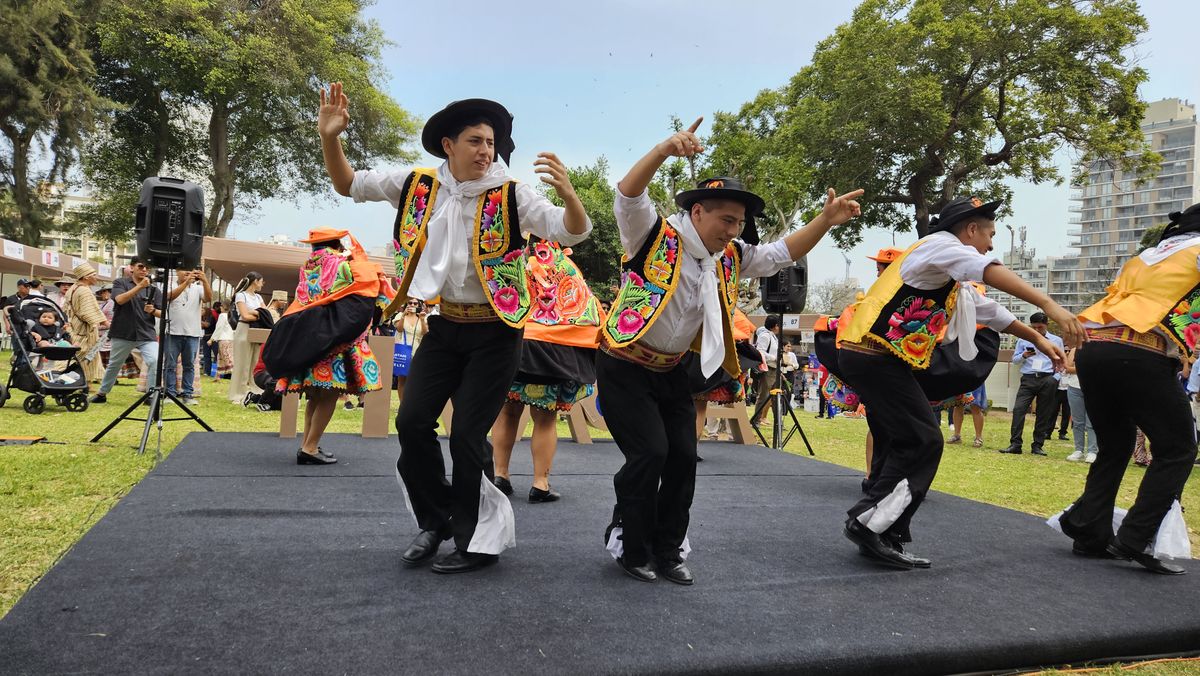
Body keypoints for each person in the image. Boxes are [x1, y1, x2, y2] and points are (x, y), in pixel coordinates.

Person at [319, 86, 591, 574]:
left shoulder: (511, 192)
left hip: (496, 332)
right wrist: (330, 139)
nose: (486, 151)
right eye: (475, 141)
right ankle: (435, 519)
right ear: (449, 145)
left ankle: (475, 541)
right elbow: (347, 184)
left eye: (490, 142)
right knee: (411, 422)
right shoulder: (417, 184)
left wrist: (570, 196)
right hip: (445, 327)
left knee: (467, 435)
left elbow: (569, 230)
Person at [601, 116, 863, 584]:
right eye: (727, 219)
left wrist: (824, 219)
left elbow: (782, 253)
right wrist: (664, 150)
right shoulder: (652, 236)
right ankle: (630, 545)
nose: (734, 230)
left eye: (739, 223)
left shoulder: (731, 258)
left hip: (674, 371)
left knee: (682, 457)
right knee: (649, 455)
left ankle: (667, 551)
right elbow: (627, 194)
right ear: (697, 212)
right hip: (623, 363)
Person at [836, 196, 1081, 569]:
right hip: (874, 355)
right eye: (990, 234)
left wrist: (1040, 340)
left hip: (877, 356)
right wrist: (1050, 306)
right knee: (924, 438)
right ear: (970, 230)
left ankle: (881, 528)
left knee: (899, 436)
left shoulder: (946, 272)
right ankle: (870, 524)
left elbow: (990, 311)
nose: (991, 245)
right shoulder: (941, 246)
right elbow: (988, 269)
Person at [1057, 204, 1200, 575]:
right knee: (1179, 448)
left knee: (1115, 446)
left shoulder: (1146, 255)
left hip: (1094, 348)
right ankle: (1136, 538)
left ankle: (1089, 532)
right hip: (1138, 353)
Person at [491, 240, 603, 503]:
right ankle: (540, 484)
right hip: (554, 352)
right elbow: (588, 311)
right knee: (545, 417)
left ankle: (500, 475)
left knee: (507, 412)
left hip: (516, 346)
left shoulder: (517, 262)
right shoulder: (567, 267)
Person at [265, 228, 386, 463]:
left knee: (315, 396)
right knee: (329, 394)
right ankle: (310, 448)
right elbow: (368, 283)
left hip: (309, 336)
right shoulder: (341, 263)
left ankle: (308, 445)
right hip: (334, 338)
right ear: (338, 244)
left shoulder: (307, 266)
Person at [89, 257, 163, 404]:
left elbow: (163, 313)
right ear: (132, 267)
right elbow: (120, 300)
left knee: (155, 360)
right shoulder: (120, 282)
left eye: (147, 268)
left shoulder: (155, 289)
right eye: (141, 266)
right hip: (123, 332)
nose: (144, 270)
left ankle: (151, 395)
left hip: (146, 332)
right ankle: (102, 393)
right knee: (115, 364)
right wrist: (140, 287)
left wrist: (153, 310)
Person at [998, 312, 1066, 456]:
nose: (1036, 330)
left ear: (1046, 325)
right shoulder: (1023, 340)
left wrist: (1056, 378)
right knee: (1018, 410)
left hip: (1048, 378)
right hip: (1028, 378)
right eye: (1033, 327)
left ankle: (1037, 445)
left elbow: (1061, 361)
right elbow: (1015, 360)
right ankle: (1015, 444)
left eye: (1039, 327)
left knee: (1043, 413)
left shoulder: (1056, 340)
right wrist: (1023, 355)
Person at [164, 267, 212, 406]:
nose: (187, 273)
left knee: (189, 365)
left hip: (192, 333)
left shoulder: (197, 288)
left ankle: (188, 394)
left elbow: (208, 298)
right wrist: (185, 283)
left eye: (190, 270)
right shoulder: (171, 284)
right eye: (183, 270)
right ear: (176, 272)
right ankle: (170, 394)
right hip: (173, 331)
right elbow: (169, 297)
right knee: (170, 365)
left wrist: (205, 281)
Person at [62, 263, 108, 386]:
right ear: (86, 277)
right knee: (83, 354)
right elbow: (88, 311)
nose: (96, 277)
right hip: (84, 328)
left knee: (86, 354)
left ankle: (87, 383)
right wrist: (105, 322)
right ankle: (75, 379)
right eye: (94, 275)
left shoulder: (73, 288)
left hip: (75, 325)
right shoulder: (84, 291)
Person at [228, 271, 265, 403]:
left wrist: (255, 313)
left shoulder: (259, 298)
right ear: (255, 281)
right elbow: (244, 315)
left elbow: (265, 314)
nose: (262, 284)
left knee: (255, 362)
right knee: (242, 363)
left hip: (257, 329)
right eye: (261, 281)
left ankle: (254, 389)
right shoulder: (241, 296)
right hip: (244, 328)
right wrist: (257, 313)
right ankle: (239, 392)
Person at [1061, 347, 1097, 463]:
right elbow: (1067, 368)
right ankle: (1078, 450)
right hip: (1074, 388)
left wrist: (1077, 369)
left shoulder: (1097, 349)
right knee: (1077, 422)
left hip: (1093, 388)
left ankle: (1092, 451)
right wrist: (1084, 369)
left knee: (1091, 422)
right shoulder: (1074, 349)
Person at [392, 299, 428, 403]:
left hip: (418, 350)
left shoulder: (422, 318)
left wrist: (422, 319)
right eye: (410, 303)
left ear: (419, 305)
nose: (412, 305)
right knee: (402, 378)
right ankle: (402, 404)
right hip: (403, 349)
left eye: (415, 303)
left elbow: (425, 334)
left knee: (416, 379)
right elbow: (399, 329)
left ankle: (412, 403)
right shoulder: (400, 315)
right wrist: (403, 315)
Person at [752, 316, 781, 425]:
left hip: (775, 368)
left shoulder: (773, 337)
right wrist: (774, 358)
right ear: (775, 326)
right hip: (767, 368)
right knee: (763, 395)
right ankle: (756, 420)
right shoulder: (765, 336)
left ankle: (775, 421)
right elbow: (760, 352)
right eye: (778, 325)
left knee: (774, 396)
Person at [947, 384, 987, 448]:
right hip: (960, 378)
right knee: (957, 404)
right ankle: (956, 436)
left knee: (975, 406)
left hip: (975, 378)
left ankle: (978, 438)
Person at [208, 308, 235, 380]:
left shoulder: (222, 315)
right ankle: (217, 376)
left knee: (226, 358)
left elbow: (219, 328)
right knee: (221, 357)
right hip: (230, 338)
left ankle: (236, 375)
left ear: (224, 307)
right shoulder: (230, 315)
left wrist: (211, 339)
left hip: (224, 339)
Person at [96, 285, 114, 372]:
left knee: (109, 353)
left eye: (104, 292)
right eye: (101, 293)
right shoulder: (103, 304)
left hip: (111, 331)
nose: (102, 294)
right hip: (101, 331)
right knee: (100, 352)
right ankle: (102, 373)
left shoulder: (113, 303)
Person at [201, 301, 219, 376]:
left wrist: (198, 319)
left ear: (206, 311)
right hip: (205, 337)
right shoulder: (204, 318)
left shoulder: (210, 317)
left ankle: (218, 372)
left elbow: (207, 325)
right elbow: (202, 327)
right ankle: (207, 371)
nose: (201, 311)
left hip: (212, 337)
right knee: (206, 355)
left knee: (216, 354)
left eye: (203, 310)